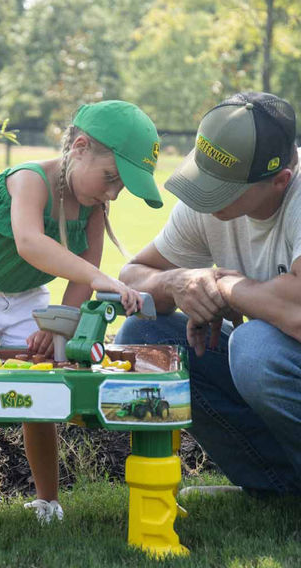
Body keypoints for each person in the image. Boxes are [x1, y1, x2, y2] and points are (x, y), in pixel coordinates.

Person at [0, 100, 164, 523]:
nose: (112, 192)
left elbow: (84, 273)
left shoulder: (94, 207)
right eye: (110, 178)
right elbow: (30, 243)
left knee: (42, 386)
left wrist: (56, 320)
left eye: (121, 187)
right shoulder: (29, 180)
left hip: (26, 296)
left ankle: (47, 500)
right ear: (79, 147)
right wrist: (100, 280)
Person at [116, 92, 301, 496]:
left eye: (224, 188)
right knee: (143, 338)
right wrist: (177, 283)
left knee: (256, 349)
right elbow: (129, 277)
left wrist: (226, 287)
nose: (204, 196)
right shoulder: (205, 206)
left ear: (280, 181)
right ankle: (280, 487)